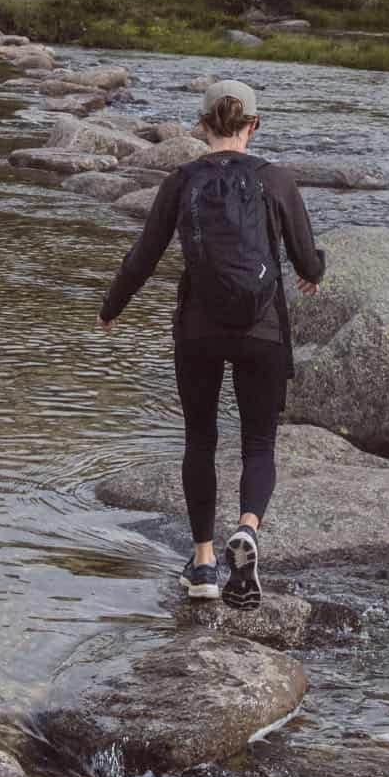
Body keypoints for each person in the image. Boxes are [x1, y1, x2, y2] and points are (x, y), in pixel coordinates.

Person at [97, 79, 324, 609]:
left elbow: (143, 256)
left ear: (202, 126)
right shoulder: (277, 179)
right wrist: (316, 272)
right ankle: (246, 531)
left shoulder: (181, 180)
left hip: (197, 329)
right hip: (262, 329)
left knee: (200, 440)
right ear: (254, 126)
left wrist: (112, 308)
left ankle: (202, 564)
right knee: (258, 444)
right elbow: (306, 259)